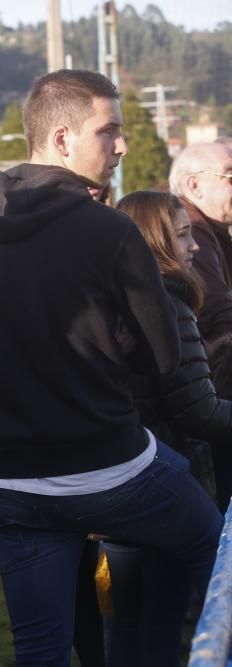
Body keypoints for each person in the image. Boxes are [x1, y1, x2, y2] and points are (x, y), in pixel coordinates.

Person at [0, 69, 222, 666]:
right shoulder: (108, 230)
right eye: (109, 132)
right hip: (107, 469)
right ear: (61, 139)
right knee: (209, 538)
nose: (122, 146)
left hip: (9, 479)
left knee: (40, 647)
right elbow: (164, 358)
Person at [103, 190, 231, 665]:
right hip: (170, 474)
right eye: (181, 235)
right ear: (155, 241)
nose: (194, 245)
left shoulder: (114, 300)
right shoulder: (169, 303)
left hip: (124, 475)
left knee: (125, 620)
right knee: (163, 616)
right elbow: (197, 408)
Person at [169, 141, 232, 510]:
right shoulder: (196, 231)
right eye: (230, 176)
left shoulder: (209, 231)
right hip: (208, 405)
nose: (187, 247)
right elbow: (222, 316)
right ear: (195, 186)